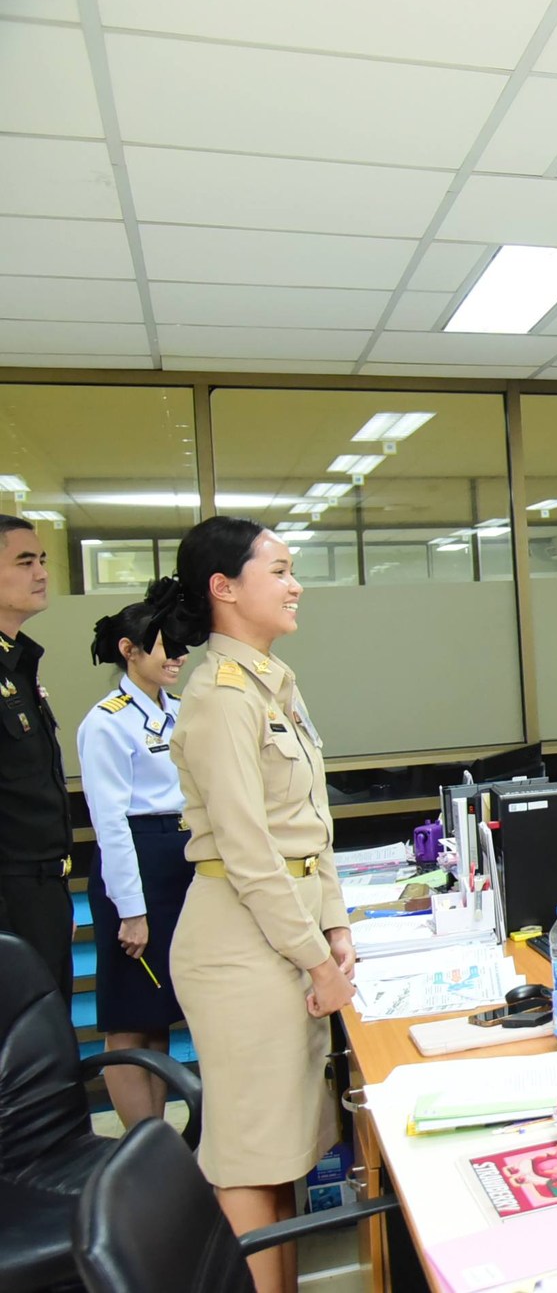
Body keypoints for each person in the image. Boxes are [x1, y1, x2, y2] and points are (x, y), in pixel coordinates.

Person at [148, 517, 353, 1293]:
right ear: (224, 587)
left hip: (285, 931)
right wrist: (316, 958)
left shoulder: (273, 683)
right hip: (240, 946)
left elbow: (310, 825)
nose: (295, 585)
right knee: (249, 1154)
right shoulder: (219, 697)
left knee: (284, 1151)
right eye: (279, 569)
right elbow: (249, 852)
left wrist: (335, 924)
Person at [77, 601, 194, 1128]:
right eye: (167, 645)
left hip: (179, 860)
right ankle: (142, 1143)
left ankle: (158, 1136)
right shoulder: (106, 723)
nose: (179, 656)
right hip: (135, 863)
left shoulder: (181, 710)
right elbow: (110, 825)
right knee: (130, 1018)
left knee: (158, 1013)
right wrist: (131, 910)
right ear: (129, 650)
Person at [0, 513, 73, 1000]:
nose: (42, 573)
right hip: (10, 897)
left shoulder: (18, 662)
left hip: (43, 892)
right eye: (25, 562)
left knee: (50, 1026)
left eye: (42, 560)